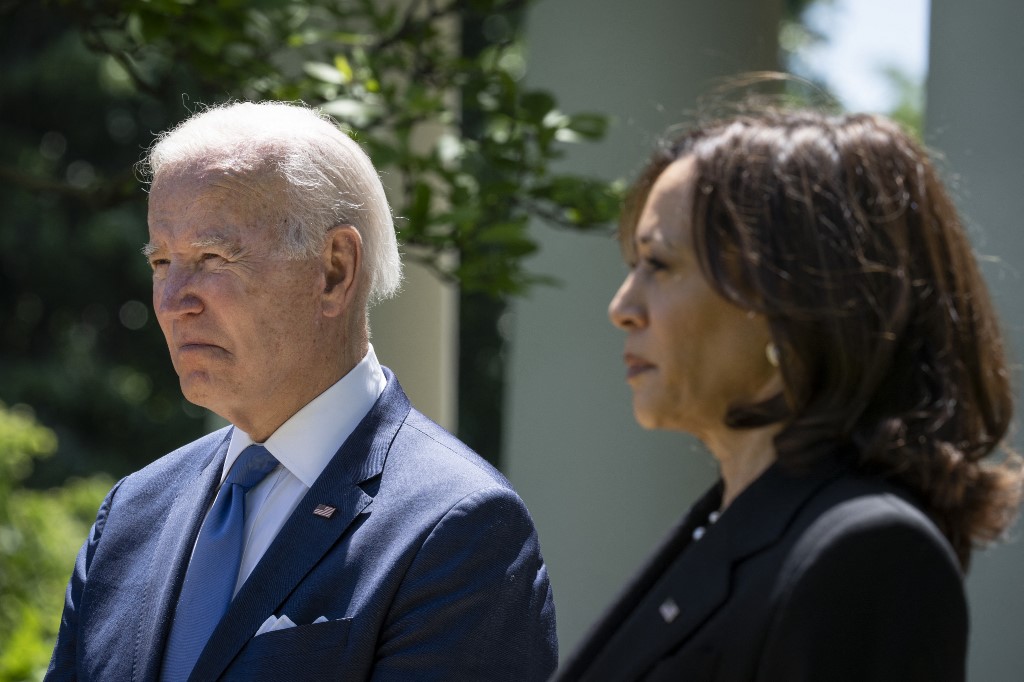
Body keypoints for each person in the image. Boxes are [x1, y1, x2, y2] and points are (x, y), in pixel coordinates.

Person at [46, 101, 557, 681]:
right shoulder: (132, 514)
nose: (172, 300)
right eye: (163, 262)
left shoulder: (457, 528)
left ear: (335, 270)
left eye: (213, 257)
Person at [557, 106, 1021, 681]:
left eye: (659, 264)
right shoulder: (732, 527)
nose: (622, 308)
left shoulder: (866, 556)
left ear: (792, 304)